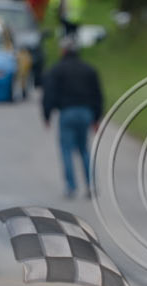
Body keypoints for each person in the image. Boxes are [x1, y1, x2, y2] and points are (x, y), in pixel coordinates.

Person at [42, 36, 102, 199]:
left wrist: (47, 114)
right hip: (86, 113)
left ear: (63, 51)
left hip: (67, 113)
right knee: (84, 150)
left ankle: (71, 187)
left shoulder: (56, 70)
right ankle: (90, 185)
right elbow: (98, 95)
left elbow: (49, 93)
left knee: (66, 150)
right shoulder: (89, 69)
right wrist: (97, 118)